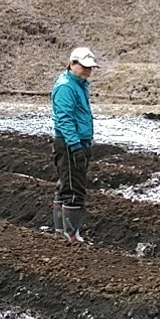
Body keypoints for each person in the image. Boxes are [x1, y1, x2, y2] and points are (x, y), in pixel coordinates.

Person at [52, 46, 98, 244]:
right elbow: (64, 119)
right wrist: (76, 146)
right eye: (84, 66)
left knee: (66, 185)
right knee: (73, 189)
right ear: (72, 64)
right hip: (71, 143)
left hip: (78, 141)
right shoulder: (66, 87)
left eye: (90, 68)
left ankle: (61, 231)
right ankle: (71, 235)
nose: (88, 71)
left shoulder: (78, 85)